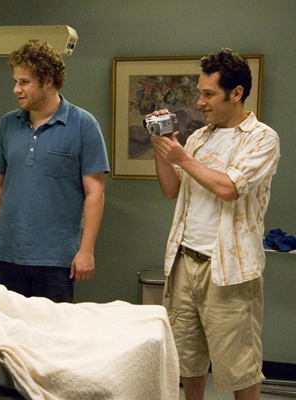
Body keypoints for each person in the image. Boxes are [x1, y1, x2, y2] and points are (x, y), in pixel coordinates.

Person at [150, 48, 280, 400]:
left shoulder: (262, 138)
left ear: (236, 93)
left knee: (240, 366)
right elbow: (171, 189)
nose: (200, 102)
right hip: (184, 262)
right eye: (200, 92)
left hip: (230, 270)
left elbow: (229, 188)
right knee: (187, 359)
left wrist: (182, 159)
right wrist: (162, 147)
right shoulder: (198, 138)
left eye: (208, 94)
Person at [0, 41, 110, 303]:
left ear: (48, 80)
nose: (16, 89)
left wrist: (86, 251)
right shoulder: (8, 124)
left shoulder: (83, 125)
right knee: (2, 325)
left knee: (51, 328)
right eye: (16, 81)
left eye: (24, 82)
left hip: (56, 260)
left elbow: (95, 192)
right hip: (5, 255)